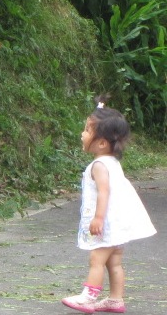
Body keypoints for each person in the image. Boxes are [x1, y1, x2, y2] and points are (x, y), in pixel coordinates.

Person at [61, 95, 157, 314]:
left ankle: (88, 297)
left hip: (107, 223)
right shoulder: (111, 162)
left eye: (87, 130)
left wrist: (98, 218)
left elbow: (104, 193)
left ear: (102, 143)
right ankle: (115, 299)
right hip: (117, 222)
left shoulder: (99, 165)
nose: (82, 134)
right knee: (114, 262)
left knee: (96, 258)